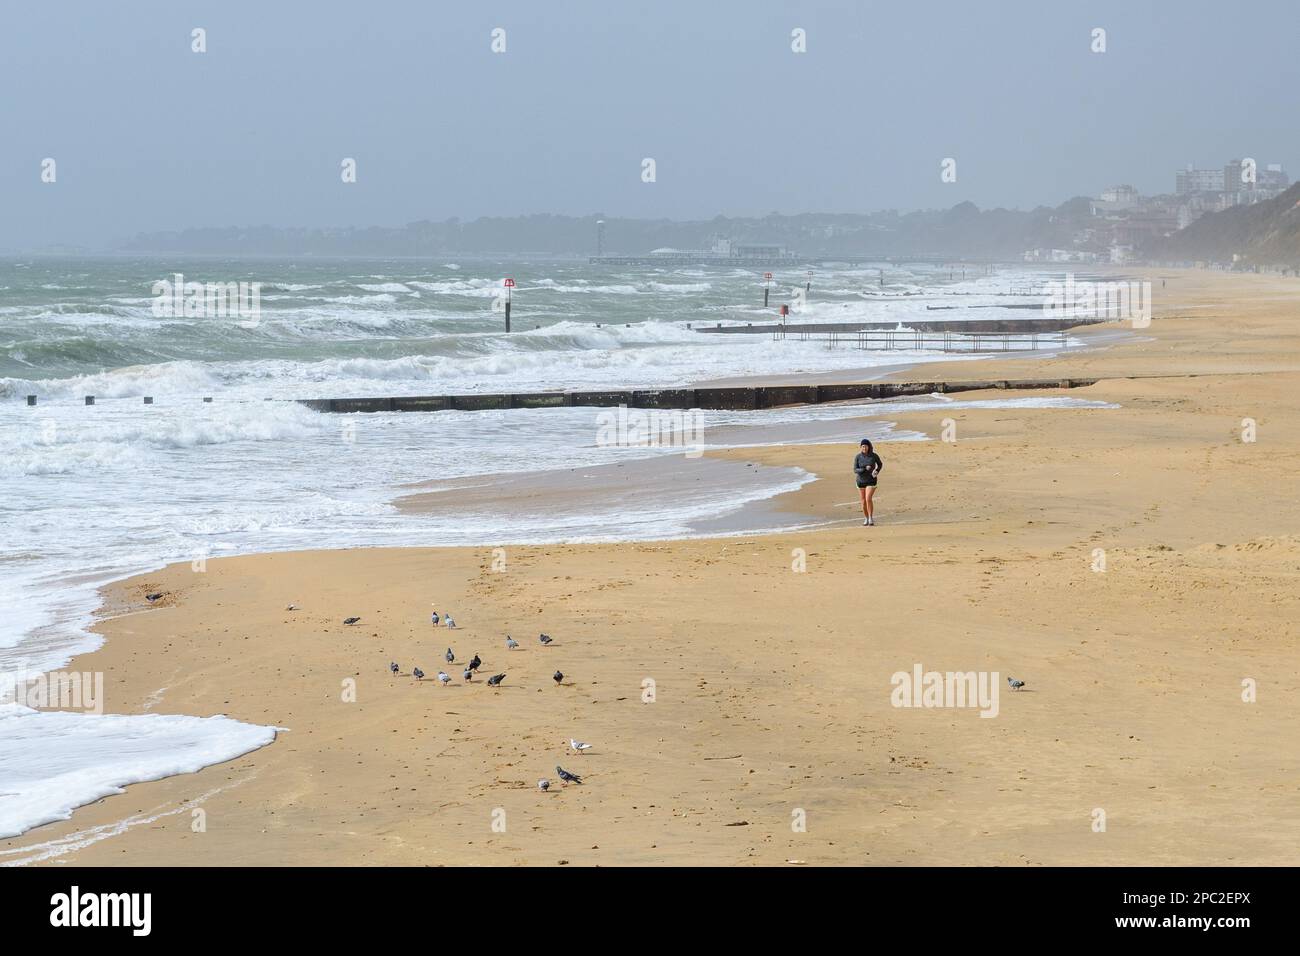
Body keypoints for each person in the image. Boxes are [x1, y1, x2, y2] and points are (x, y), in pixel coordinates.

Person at [853, 439, 883, 526]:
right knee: (863, 501)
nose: (864, 448)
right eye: (863, 446)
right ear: (860, 447)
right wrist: (864, 469)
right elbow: (855, 470)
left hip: (871, 480)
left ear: (869, 446)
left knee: (868, 498)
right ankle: (866, 518)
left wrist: (876, 471)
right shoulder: (858, 457)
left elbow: (880, 464)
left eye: (866, 446)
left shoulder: (873, 456)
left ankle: (870, 518)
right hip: (860, 481)